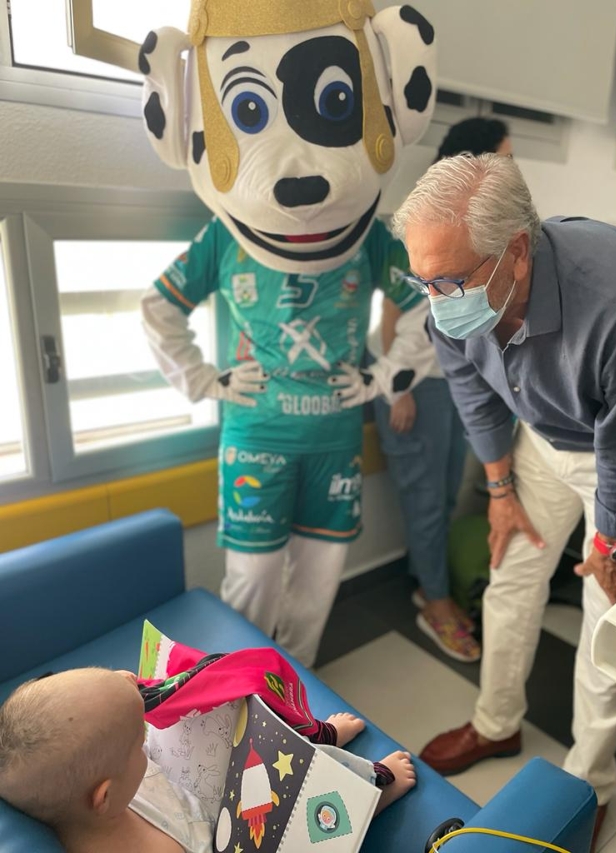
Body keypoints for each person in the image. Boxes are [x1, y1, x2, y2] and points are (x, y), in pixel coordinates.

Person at [138, 0, 438, 670]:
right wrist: (205, 380)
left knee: (316, 589)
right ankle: (237, 694)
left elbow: (426, 306)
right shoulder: (223, 238)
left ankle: (289, 693)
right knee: (251, 585)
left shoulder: (372, 240)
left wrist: (387, 375)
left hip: (333, 440)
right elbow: (157, 307)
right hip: (256, 436)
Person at [392, 153, 616, 849]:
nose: (437, 300)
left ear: (518, 254)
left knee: (608, 622)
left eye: (451, 282)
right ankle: (496, 721)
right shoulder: (448, 285)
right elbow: (472, 387)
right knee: (512, 576)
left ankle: (587, 783)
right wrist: (499, 487)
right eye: (424, 283)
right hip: (542, 438)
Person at [0, 669, 416, 853]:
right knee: (314, 776)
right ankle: (371, 796)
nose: (142, 733)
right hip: (236, 827)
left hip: (187, 787)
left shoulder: (81, 797)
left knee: (233, 713)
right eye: (136, 735)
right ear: (103, 796)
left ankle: (308, 730)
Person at [370, 118, 510, 662]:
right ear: (473, 163)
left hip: (452, 376)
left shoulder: (480, 220)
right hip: (412, 382)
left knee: (448, 489)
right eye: (503, 157)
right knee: (426, 499)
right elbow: (390, 308)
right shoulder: (426, 217)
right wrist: (396, 388)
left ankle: (430, 582)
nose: (510, 168)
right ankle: (434, 599)